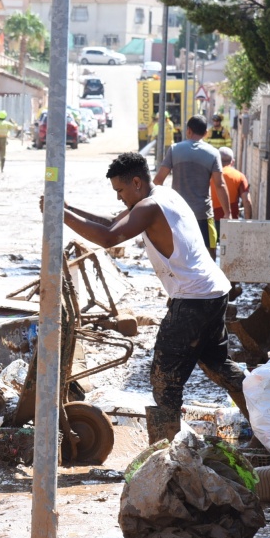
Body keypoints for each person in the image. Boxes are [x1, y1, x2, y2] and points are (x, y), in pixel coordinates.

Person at [60, 151, 249, 444]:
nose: (119, 197)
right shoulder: (163, 195)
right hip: (213, 292)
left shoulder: (149, 206)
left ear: (136, 182)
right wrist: (71, 209)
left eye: (120, 190)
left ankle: (167, 455)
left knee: (164, 381)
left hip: (194, 299)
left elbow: (110, 237)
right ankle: (264, 423)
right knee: (218, 366)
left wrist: (61, 215)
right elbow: (113, 221)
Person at [154, 115, 230, 258]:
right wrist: (227, 213)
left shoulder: (174, 149)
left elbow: (158, 181)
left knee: (180, 256)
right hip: (203, 214)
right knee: (209, 254)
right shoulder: (213, 153)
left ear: (188, 130)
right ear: (206, 133)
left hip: (177, 214)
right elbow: (220, 185)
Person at [210, 147, 253, 221]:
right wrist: (247, 222)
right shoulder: (239, 176)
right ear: (232, 162)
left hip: (211, 220)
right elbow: (247, 201)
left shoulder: (209, 175)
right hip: (231, 222)